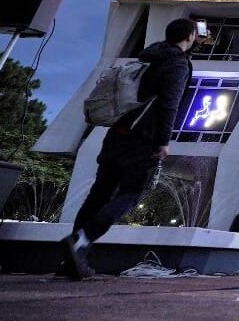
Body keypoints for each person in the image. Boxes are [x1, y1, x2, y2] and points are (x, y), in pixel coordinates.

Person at [60, 18, 196, 280]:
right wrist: (163, 141)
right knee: (132, 193)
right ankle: (81, 241)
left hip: (117, 134)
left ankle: (71, 261)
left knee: (97, 195)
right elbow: (170, 104)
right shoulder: (177, 64)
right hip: (143, 139)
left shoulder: (148, 56)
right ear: (190, 36)